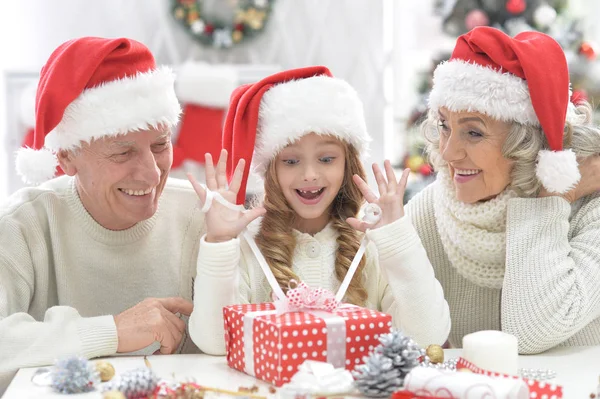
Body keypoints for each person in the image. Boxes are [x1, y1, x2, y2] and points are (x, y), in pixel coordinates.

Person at [187, 66, 451, 355]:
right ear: (270, 170)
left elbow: (427, 338)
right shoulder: (248, 247)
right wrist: (220, 244)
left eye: (326, 158)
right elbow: (214, 343)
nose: (310, 174)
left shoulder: (373, 244)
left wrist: (399, 241)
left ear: (347, 163)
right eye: (290, 161)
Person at [0, 37, 205, 392]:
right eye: (122, 153)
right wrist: (111, 332)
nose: (153, 174)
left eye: (160, 144)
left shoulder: (201, 216)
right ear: (65, 158)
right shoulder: (21, 224)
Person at [409, 26, 600, 354]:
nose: (448, 152)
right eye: (444, 125)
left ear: (526, 143)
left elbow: (533, 330)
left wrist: (553, 196)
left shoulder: (591, 208)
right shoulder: (431, 211)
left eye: (473, 133)